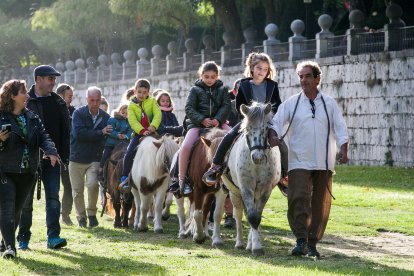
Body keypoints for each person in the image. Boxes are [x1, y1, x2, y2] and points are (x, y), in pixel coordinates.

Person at [268, 61, 349, 258]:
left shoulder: (329, 103)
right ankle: (301, 240)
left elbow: (340, 127)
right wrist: (273, 136)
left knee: (319, 202)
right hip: (298, 160)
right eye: (301, 76)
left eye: (307, 76)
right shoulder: (292, 103)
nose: (303, 80)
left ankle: (312, 243)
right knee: (297, 197)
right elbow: (277, 122)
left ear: (317, 78)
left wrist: (344, 149)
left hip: (324, 161)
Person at [203, 52, 288, 193]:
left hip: (267, 121)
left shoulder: (272, 85)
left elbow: (277, 105)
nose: (262, 72)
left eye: (265, 69)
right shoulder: (244, 85)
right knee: (229, 136)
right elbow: (239, 105)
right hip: (249, 121)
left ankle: (284, 176)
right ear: (252, 68)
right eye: (259, 68)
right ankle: (216, 166)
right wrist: (249, 114)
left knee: (282, 144)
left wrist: (268, 116)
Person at [0, 80, 59, 258]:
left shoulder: (32, 117)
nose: (27, 95)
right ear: (12, 96)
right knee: (6, 208)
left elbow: (44, 136)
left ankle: (4, 242)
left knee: (17, 210)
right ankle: (11, 247)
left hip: (28, 171)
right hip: (4, 170)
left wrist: (51, 151)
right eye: (23, 92)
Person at [17, 65, 70, 250]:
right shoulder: (25, 100)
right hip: (28, 160)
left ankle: (53, 237)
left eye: (54, 79)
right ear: (38, 79)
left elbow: (65, 131)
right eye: (50, 78)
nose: (53, 82)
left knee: (54, 199)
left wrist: (63, 155)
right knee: (25, 200)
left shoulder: (58, 102)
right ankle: (23, 238)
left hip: (53, 159)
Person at [171, 61, 231, 196]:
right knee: (186, 146)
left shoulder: (223, 90)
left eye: (213, 77)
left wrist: (217, 119)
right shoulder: (195, 90)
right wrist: (202, 120)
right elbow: (189, 108)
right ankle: (181, 180)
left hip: (218, 123)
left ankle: (233, 177)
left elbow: (226, 106)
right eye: (207, 76)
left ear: (217, 77)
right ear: (201, 76)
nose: (210, 79)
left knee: (234, 137)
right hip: (197, 125)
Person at [69, 86, 111, 228]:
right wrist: (100, 133)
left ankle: (92, 215)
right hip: (76, 158)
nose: (94, 103)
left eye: (97, 100)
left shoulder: (106, 118)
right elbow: (79, 134)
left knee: (93, 185)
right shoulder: (78, 114)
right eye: (91, 100)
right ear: (87, 99)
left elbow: (108, 137)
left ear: (101, 100)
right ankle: (81, 217)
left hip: (95, 158)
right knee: (77, 191)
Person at [118, 79, 162, 191]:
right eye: (139, 92)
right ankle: (125, 177)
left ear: (148, 92)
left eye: (144, 92)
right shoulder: (131, 106)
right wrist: (142, 131)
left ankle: (167, 175)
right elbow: (132, 121)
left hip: (153, 131)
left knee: (164, 149)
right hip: (138, 133)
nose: (142, 94)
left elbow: (158, 114)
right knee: (129, 153)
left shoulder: (152, 101)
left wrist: (153, 126)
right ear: (135, 91)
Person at [56, 83, 75, 225]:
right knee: (53, 188)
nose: (71, 100)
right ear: (60, 95)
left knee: (69, 187)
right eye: (69, 97)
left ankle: (65, 214)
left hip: (68, 156)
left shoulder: (74, 112)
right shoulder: (53, 111)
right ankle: (53, 214)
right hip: (52, 154)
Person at [98, 104, 132, 183]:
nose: (125, 115)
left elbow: (130, 131)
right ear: (119, 111)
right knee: (106, 154)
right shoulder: (112, 120)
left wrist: (126, 136)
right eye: (123, 113)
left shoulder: (129, 122)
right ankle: (101, 169)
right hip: (112, 143)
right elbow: (110, 130)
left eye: (127, 114)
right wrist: (117, 135)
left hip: (123, 143)